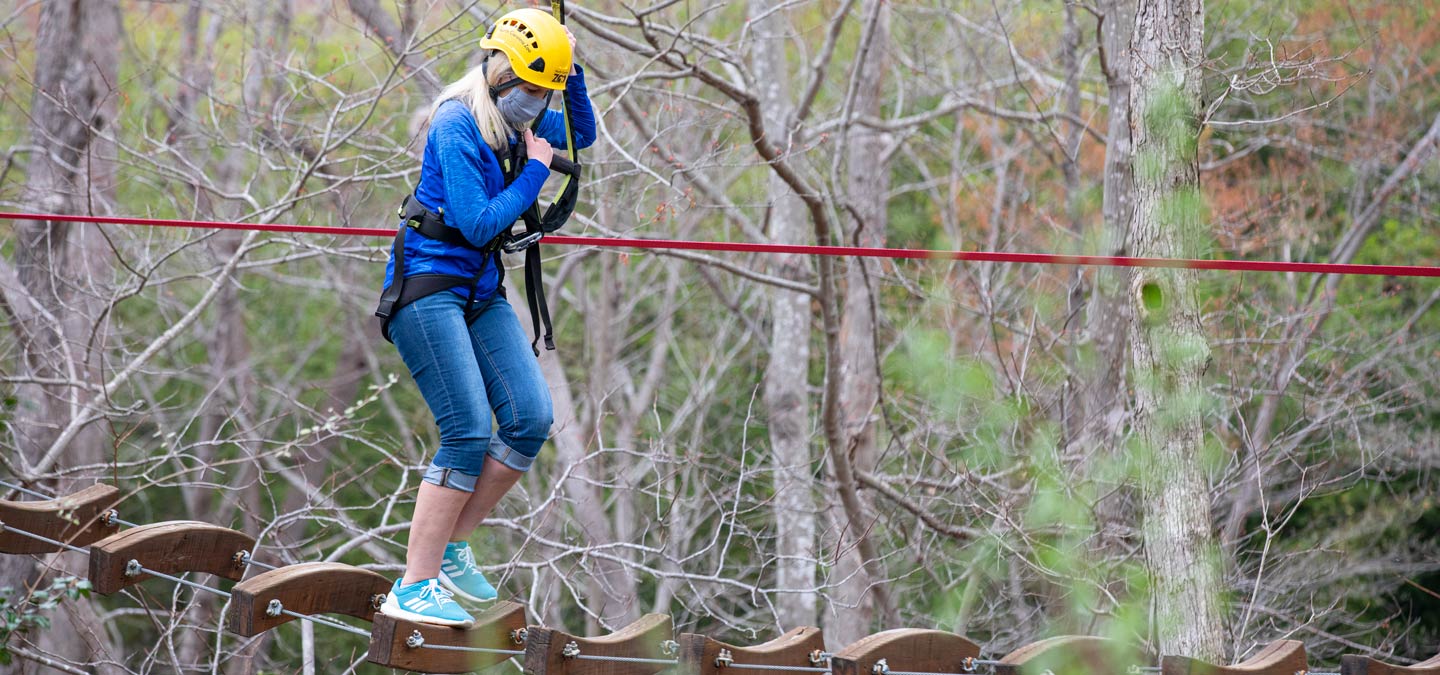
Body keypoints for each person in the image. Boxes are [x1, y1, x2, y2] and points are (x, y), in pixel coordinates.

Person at [375, 7, 596, 628]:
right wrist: (534, 170)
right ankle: (413, 587)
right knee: (467, 430)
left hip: (478, 291)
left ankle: (449, 548)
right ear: (501, 77)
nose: (538, 103)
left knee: (530, 417)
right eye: (533, 90)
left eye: (543, 92)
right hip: (427, 290)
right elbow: (477, 224)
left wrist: (569, 74)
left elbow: (584, 136)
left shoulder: (514, 113)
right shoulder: (457, 123)